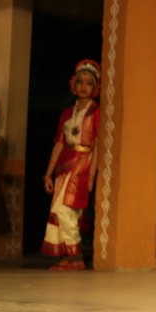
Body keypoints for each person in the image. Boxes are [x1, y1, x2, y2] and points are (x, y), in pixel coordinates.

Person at [42, 60, 101, 270]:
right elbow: (59, 143)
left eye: (89, 83)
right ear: (73, 85)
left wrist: (92, 176)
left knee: (67, 211)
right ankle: (67, 255)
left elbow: (97, 147)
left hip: (82, 166)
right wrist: (48, 174)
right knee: (58, 210)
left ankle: (76, 257)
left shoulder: (96, 113)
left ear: (95, 88)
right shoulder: (67, 113)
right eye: (80, 82)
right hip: (64, 166)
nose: (84, 86)